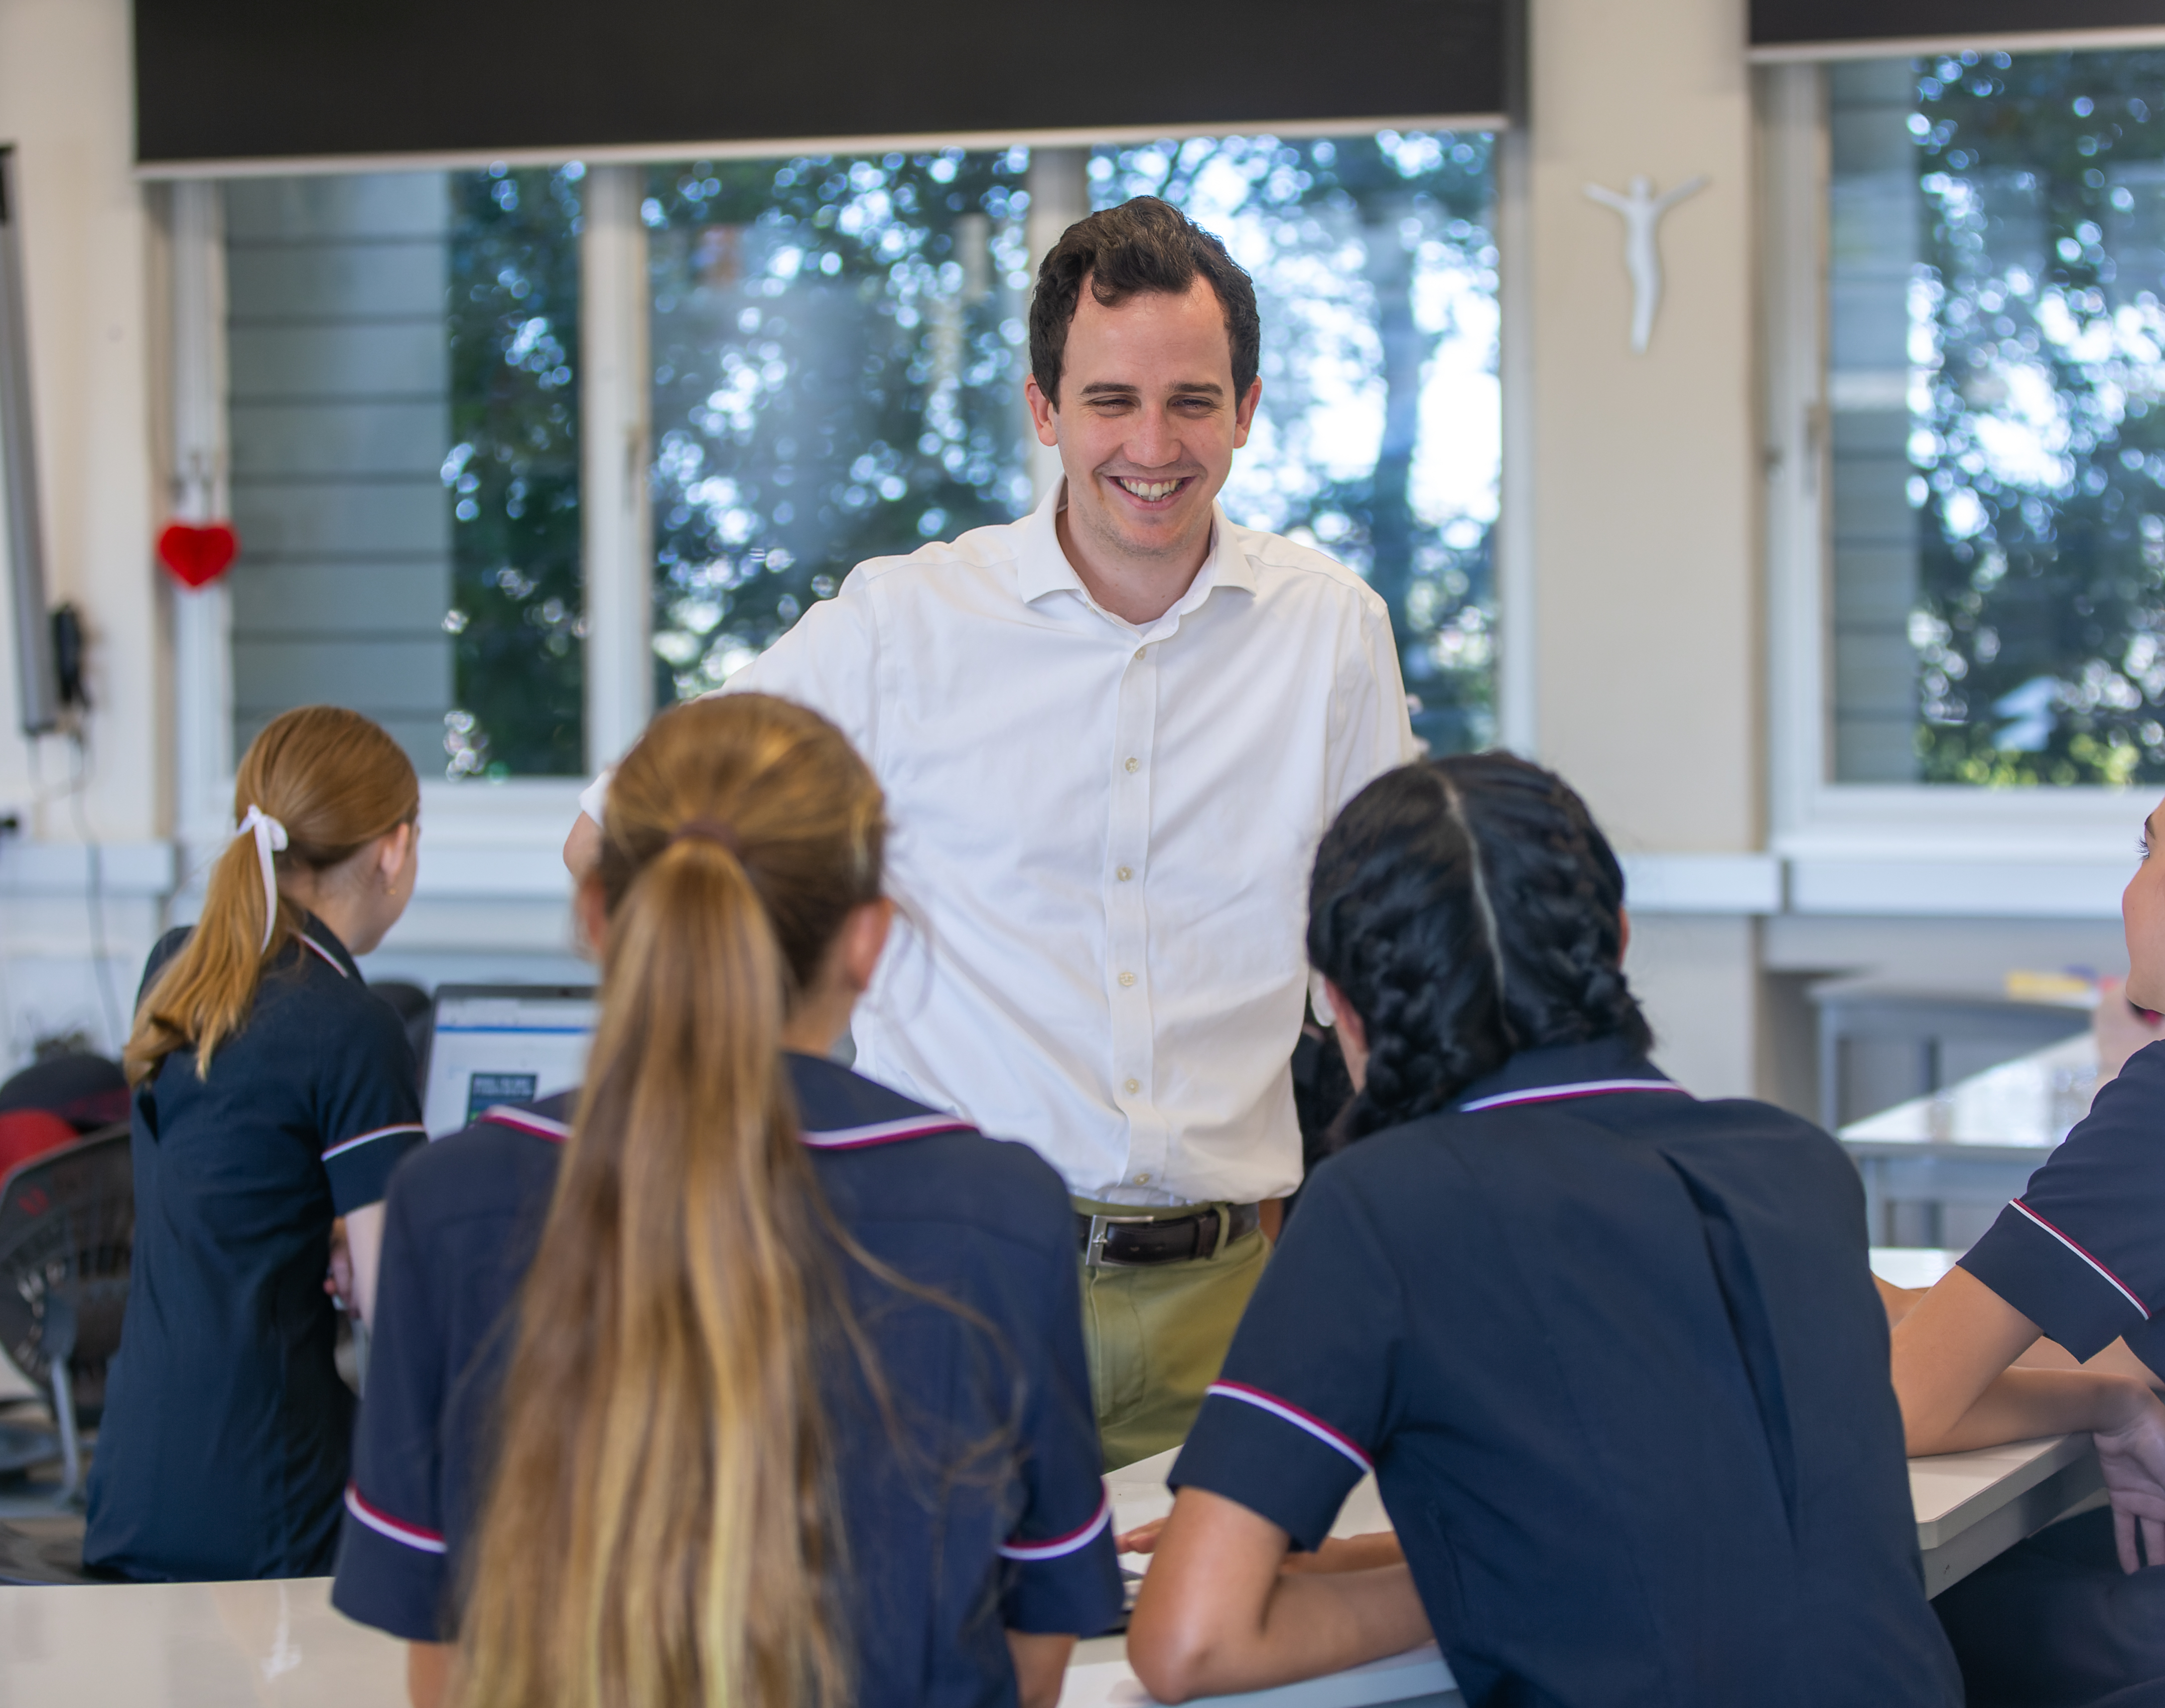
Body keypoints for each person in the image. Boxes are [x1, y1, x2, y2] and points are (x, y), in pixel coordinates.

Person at [565, 196, 1413, 1468]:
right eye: (1109, 400)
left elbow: (1386, 967)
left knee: (1218, 1663)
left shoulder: (1329, 629)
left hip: (1234, 1294)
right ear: (1043, 410)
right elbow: (613, 840)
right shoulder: (901, 627)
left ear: (1245, 410)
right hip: (938, 1275)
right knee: (942, 1661)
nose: (1152, 444)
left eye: (1192, 401)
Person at [1123, 753, 1961, 1706]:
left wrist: (1451, 1584)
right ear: (1615, 939)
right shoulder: (1797, 1166)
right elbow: (1686, 1511)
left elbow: (1192, 1640)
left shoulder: (1383, 1200)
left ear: (1343, 1006)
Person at [335, 694, 1121, 1708]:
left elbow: (442, 1659)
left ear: (597, 918)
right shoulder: (1001, 1211)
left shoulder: (447, 1206)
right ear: (868, 938)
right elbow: (1039, 1641)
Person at [1889, 738, 2165, 1706]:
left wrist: (2106, 1407)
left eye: (2144, 853)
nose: (2132, 888)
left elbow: (1900, 1403)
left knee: (1888, 1608)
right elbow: (2131, 1347)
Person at [83, 705, 425, 1581]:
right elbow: (399, 1311)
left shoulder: (178, 968)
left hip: (135, 1476)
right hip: (270, 1486)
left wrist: (323, 1229)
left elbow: (230, 1182)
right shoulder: (353, 1023)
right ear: (393, 851)